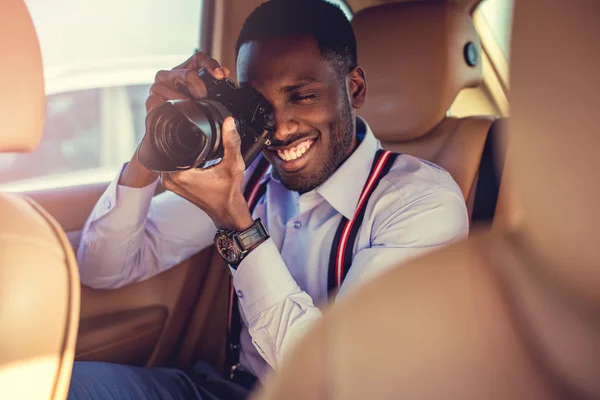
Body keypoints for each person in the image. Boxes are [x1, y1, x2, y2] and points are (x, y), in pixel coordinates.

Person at [68, 0, 469, 399]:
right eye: (260, 106)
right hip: (222, 389)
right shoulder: (248, 174)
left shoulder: (421, 203)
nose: (278, 129)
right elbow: (103, 268)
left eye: (302, 96)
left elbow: (334, 378)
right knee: (46, 384)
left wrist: (234, 221)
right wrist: (154, 148)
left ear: (354, 88)